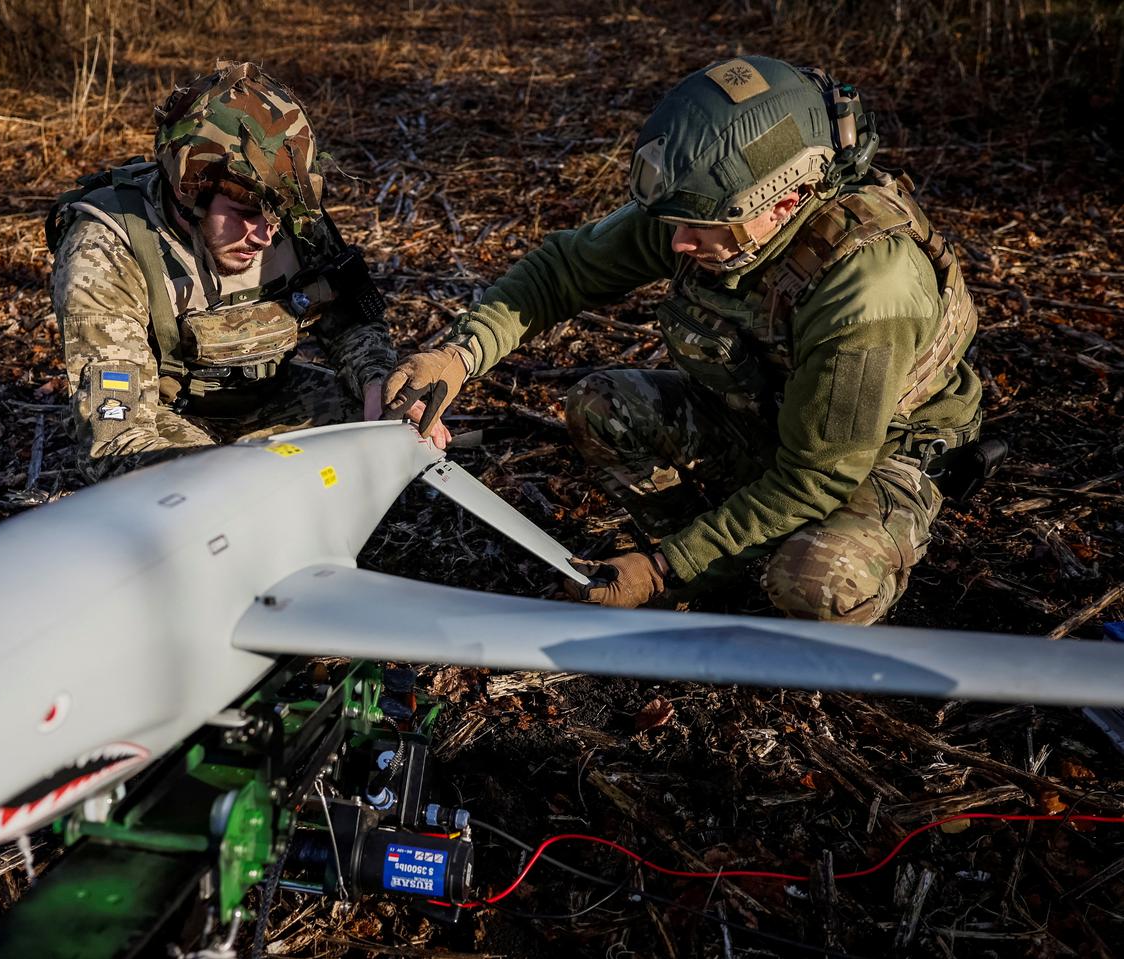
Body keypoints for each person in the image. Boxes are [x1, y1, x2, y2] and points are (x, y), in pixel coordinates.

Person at [378, 56, 984, 625]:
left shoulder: (867, 287)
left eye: (700, 228)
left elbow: (817, 477)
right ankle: (713, 556)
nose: (679, 246)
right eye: (676, 224)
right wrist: (457, 356)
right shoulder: (710, 207)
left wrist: (666, 572)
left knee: (819, 583)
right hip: (766, 420)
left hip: (872, 457)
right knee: (604, 407)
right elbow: (563, 271)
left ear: (785, 201)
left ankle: (706, 561)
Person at [49, 61, 406, 479]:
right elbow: (118, 438)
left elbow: (350, 325)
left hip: (269, 398)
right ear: (190, 191)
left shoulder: (291, 216)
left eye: (276, 216)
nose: (264, 236)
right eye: (242, 213)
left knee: (393, 439)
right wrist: (242, 474)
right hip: (160, 419)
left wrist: (378, 383)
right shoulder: (106, 249)